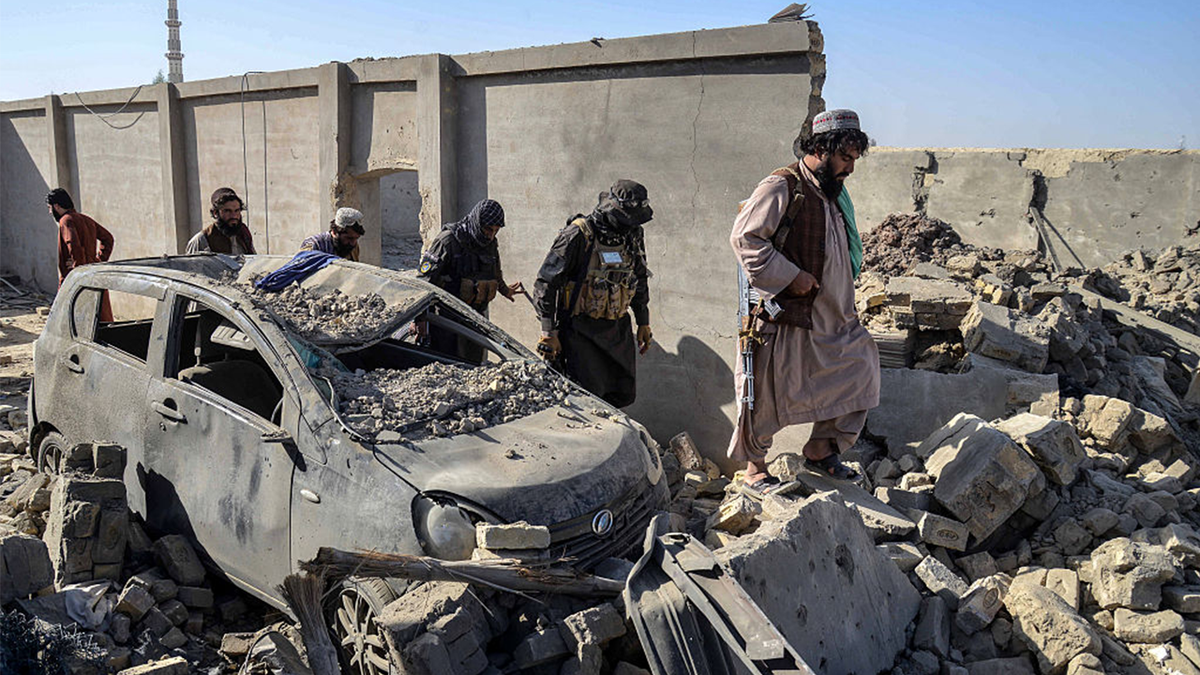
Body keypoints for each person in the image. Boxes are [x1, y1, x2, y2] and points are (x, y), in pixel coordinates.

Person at [728, 108, 880, 488]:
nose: (850, 169)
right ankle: (755, 470)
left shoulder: (831, 193)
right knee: (766, 392)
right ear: (822, 148)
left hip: (833, 318)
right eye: (845, 158)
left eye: (854, 159)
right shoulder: (783, 186)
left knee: (860, 369)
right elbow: (745, 239)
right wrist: (790, 276)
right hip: (789, 315)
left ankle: (820, 449)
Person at [532, 179, 654, 408]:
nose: (632, 225)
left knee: (622, 394)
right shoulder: (578, 235)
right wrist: (548, 331)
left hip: (618, 330)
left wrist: (643, 322)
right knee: (588, 398)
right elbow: (545, 283)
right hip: (581, 332)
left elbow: (639, 277)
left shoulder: (633, 235)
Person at [416, 199, 523, 361]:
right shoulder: (448, 241)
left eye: (496, 230)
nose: (491, 234)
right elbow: (424, 281)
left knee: (473, 365)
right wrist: (420, 318)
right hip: (447, 319)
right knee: (447, 365)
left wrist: (505, 290)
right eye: (488, 229)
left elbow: (494, 271)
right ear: (477, 222)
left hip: (475, 319)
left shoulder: (490, 243)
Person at [47, 188, 115, 321]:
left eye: (50, 208)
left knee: (74, 320)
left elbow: (73, 244)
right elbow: (108, 238)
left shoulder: (66, 221)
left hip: (78, 279)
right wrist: (98, 261)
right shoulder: (85, 219)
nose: (50, 212)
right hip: (94, 273)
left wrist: (78, 268)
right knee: (101, 317)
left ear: (56, 206)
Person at [185, 188, 256, 255]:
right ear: (216, 213)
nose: (234, 216)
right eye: (227, 211)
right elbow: (192, 266)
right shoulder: (201, 240)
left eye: (237, 211)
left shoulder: (243, 234)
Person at [299, 207, 365, 261]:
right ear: (334, 232)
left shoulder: (352, 246)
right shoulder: (313, 245)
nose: (353, 243)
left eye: (356, 238)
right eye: (348, 238)